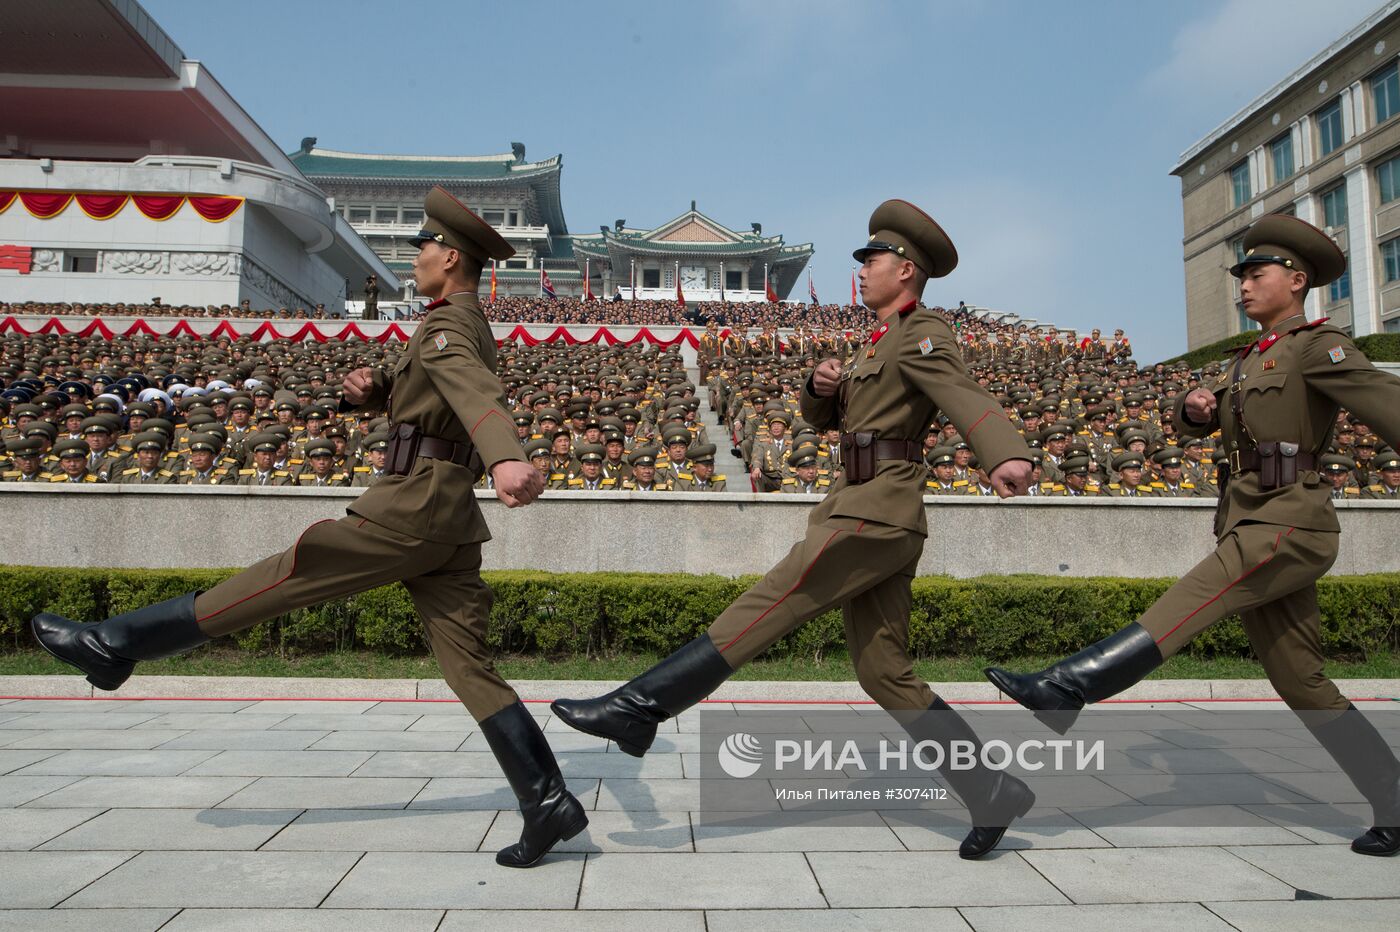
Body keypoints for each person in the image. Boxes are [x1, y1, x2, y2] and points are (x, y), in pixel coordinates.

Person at [30, 186, 586, 869]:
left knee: (291, 571)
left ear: (451, 255)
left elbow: (474, 392)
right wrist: (374, 392)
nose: (416, 257)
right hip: (443, 517)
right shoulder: (450, 321)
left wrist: (506, 458)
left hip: (411, 508)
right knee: (468, 665)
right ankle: (548, 800)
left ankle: (116, 643)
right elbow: (433, 393)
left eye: (423, 248)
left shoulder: (447, 328)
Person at [552, 200, 1036, 860]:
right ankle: (992, 792)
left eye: (873, 260)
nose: (861, 270)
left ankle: (641, 707)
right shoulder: (878, 342)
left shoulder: (924, 333)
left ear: (907, 269)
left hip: (876, 509)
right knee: (883, 671)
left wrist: (1004, 450)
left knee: (778, 595)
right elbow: (826, 420)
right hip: (866, 502)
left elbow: (962, 394)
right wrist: (818, 383)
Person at [985, 214, 1400, 856]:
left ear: (1295, 280)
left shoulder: (1321, 347)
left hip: (1288, 521)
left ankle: (1068, 687)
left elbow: (1386, 406)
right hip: (1250, 515)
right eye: (1240, 275)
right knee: (1302, 681)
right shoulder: (1247, 359)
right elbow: (1197, 429)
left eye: (1255, 274)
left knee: (1193, 599)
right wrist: (1192, 410)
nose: (1243, 285)